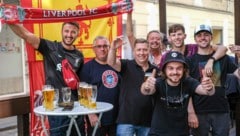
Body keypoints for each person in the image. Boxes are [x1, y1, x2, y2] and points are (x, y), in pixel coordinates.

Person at [8, 22, 85, 136]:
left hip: (75, 107)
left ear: (78, 34)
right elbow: (26, 35)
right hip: (56, 108)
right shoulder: (50, 47)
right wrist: (9, 19)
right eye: (67, 31)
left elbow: (80, 83)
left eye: (73, 32)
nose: (69, 35)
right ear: (62, 32)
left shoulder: (79, 55)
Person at [158, 23, 228, 130]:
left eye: (179, 34)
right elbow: (164, 79)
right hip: (178, 102)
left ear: (185, 36)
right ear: (169, 38)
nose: (177, 37)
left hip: (198, 101)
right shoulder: (166, 57)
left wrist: (211, 60)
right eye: (173, 35)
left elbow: (223, 49)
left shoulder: (194, 47)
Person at [141, 51, 215, 136]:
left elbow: (207, 92)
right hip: (158, 133)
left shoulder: (189, 82)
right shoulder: (158, 83)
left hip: (182, 133)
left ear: (184, 69)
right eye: (171, 68)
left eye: (179, 68)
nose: (175, 72)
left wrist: (209, 87)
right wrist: (146, 86)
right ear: (164, 69)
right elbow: (146, 91)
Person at [187, 24, 240, 136]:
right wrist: (191, 112)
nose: (203, 38)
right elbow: (187, 89)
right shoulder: (189, 61)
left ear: (211, 37)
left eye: (206, 35)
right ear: (195, 39)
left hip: (221, 109)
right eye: (199, 35)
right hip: (199, 111)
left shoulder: (223, 59)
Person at [107, 37, 158, 136]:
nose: (141, 53)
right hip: (126, 119)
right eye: (139, 50)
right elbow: (111, 62)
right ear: (134, 51)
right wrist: (113, 48)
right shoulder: (126, 65)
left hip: (148, 120)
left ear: (149, 51)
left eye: (144, 49)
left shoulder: (156, 70)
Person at [79, 36, 120, 136]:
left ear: (110, 48)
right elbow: (83, 93)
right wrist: (91, 114)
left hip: (117, 118)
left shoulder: (117, 65)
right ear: (94, 49)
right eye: (99, 46)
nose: (102, 49)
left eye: (105, 46)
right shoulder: (87, 68)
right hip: (97, 117)